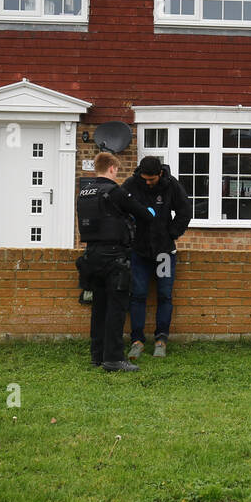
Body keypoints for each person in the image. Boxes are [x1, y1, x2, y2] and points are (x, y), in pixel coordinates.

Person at [76, 152, 144, 372]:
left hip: (92, 255)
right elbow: (141, 213)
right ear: (113, 168)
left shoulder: (84, 193)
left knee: (99, 307)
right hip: (114, 257)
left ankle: (97, 355)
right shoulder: (114, 192)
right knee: (117, 307)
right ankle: (114, 359)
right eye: (117, 169)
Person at [122, 155, 192, 359]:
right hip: (139, 251)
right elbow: (119, 210)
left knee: (164, 295)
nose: (147, 182)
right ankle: (137, 341)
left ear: (159, 174)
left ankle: (161, 340)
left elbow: (185, 211)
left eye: (151, 179)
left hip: (163, 253)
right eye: (144, 178)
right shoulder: (131, 184)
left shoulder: (171, 185)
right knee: (138, 295)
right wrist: (130, 234)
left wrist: (171, 234)